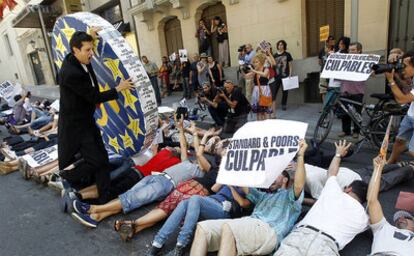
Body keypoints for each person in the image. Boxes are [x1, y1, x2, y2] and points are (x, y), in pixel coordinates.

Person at [70, 120, 212, 228]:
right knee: (127, 197)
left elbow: (199, 154)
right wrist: (181, 129)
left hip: (166, 184)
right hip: (156, 176)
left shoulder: (201, 172)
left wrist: (198, 135)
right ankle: (96, 217)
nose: (198, 157)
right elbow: (183, 145)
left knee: (131, 198)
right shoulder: (186, 162)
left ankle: (93, 208)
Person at [191, 140, 307, 256]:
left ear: (285, 179)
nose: (271, 177)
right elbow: (242, 182)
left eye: (276, 174)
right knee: (203, 228)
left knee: (230, 228)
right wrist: (230, 161)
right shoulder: (263, 196)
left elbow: (298, 184)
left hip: (270, 231)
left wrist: (301, 155)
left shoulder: (290, 197)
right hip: (249, 224)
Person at [57, 30, 133, 204]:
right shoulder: (70, 73)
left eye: (92, 49)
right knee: (97, 161)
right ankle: (65, 175)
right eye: (88, 50)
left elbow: (86, 54)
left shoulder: (79, 57)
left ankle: (104, 196)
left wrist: (90, 38)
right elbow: (94, 96)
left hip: (87, 120)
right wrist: (118, 89)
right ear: (75, 51)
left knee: (103, 159)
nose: (91, 53)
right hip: (76, 126)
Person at [113, 131, 226, 242]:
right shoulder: (212, 169)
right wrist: (183, 129)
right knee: (165, 210)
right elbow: (188, 148)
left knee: (166, 212)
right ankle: (133, 228)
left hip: (194, 190)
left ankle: (131, 224)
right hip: (188, 187)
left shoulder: (208, 170)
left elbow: (199, 153)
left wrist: (204, 136)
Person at [275, 140, 369, 256]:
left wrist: (338, 154)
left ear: (348, 189)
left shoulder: (334, 192)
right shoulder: (363, 218)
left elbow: (331, 173)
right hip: (327, 247)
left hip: (301, 236)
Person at [148, 184, 249, 256]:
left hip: (224, 209)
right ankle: (158, 242)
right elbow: (214, 188)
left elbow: (243, 204)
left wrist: (232, 186)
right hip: (210, 202)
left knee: (196, 198)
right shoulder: (230, 178)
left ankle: (182, 243)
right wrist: (226, 178)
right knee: (184, 203)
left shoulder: (250, 186)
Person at [367, 155, 414, 255]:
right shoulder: (383, 228)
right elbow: (372, 201)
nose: (401, 218)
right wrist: (378, 169)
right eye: (398, 219)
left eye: (406, 217)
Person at [386, 50, 414, 163]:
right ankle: (390, 163)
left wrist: (391, 80)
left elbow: (402, 99)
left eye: (405, 66)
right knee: (399, 141)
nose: (403, 69)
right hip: (411, 115)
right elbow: (407, 87)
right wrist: (395, 74)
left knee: (412, 151)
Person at [338, 42, 366, 138]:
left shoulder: (364, 62)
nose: (351, 52)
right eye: (350, 50)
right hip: (345, 90)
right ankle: (346, 131)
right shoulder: (344, 61)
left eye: (353, 50)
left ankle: (356, 131)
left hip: (357, 92)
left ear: (359, 51)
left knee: (356, 113)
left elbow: (372, 73)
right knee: (344, 113)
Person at [250, 53, 272, 120]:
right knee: (258, 111)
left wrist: (254, 71)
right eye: (254, 62)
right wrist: (242, 69)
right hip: (256, 91)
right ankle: (259, 125)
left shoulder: (266, 69)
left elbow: (265, 75)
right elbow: (246, 76)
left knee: (265, 110)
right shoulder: (255, 71)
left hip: (264, 90)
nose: (255, 64)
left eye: (257, 62)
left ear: (261, 61)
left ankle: (267, 125)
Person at [273, 40, 293, 111]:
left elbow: (290, 65)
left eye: (281, 45)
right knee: (274, 91)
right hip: (276, 76)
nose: (280, 46)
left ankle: (283, 105)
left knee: (285, 92)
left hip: (285, 76)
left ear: (284, 45)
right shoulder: (274, 55)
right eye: (279, 45)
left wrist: (290, 74)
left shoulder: (287, 54)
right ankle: (272, 105)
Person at [318, 36, 335, 104]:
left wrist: (330, 54)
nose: (332, 42)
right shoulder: (322, 50)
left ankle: (332, 106)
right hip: (323, 72)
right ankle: (325, 106)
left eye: (333, 40)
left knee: (333, 90)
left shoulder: (335, 50)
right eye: (330, 40)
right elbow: (319, 62)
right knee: (323, 90)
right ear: (327, 42)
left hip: (333, 73)